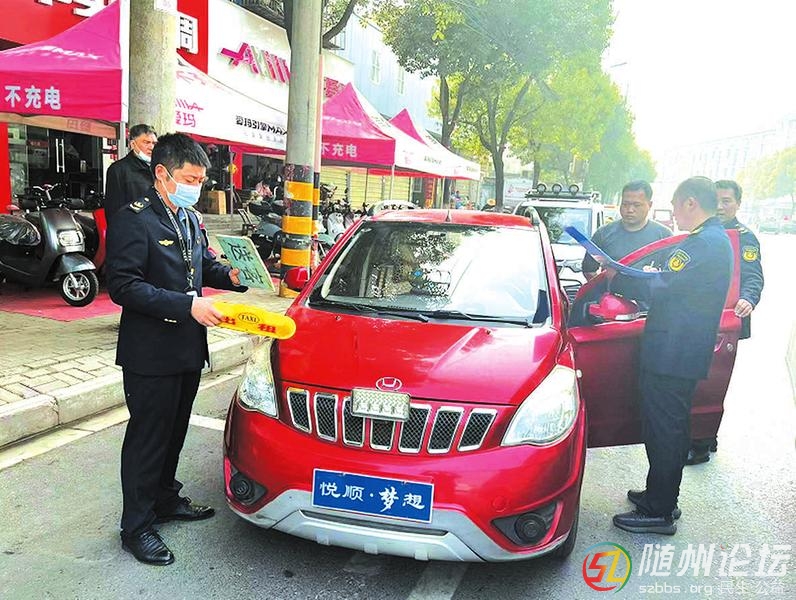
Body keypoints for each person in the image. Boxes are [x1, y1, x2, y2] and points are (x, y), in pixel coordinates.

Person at [106, 133, 247, 566]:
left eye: (201, 180)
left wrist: (231, 275)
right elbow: (123, 286)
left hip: (188, 345)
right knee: (148, 439)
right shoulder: (134, 218)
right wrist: (187, 305)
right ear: (162, 174)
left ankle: (166, 499)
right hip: (150, 352)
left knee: (175, 432)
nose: (196, 187)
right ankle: (136, 527)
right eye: (189, 179)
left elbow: (199, 265)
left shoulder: (188, 217)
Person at [609, 177, 733, 535]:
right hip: (679, 350)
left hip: (673, 352)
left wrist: (617, 278)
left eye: (677, 206)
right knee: (670, 428)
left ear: (691, 202)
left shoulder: (702, 243)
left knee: (665, 429)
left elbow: (661, 284)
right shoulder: (712, 239)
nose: (675, 213)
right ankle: (661, 495)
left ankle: (659, 510)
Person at [686, 179, 764, 465]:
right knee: (695, 378)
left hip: (726, 323)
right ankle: (705, 435)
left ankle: (701, 443)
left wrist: (748, 299)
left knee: (711, 382)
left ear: (738, 204)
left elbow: (752, 276)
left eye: (727, 201)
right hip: (699, 318)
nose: (720, 206)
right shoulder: (700, 232)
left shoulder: (744, 238)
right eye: (716, 200)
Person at [583, 180, 672, 280]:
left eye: (636, 205)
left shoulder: (664, 236)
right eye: (625, 204)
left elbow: (671, 276)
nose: (630, 210)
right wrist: (605, 286)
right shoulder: (603, 234)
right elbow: (589, 270)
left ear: (649, 205)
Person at [104, 124, 157, 223]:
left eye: (154, 143)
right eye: (146, 142)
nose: (151, 147)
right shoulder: (118, 169)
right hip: (133, 226)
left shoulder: (159, 169)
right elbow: (113, 209)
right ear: (133, 144)